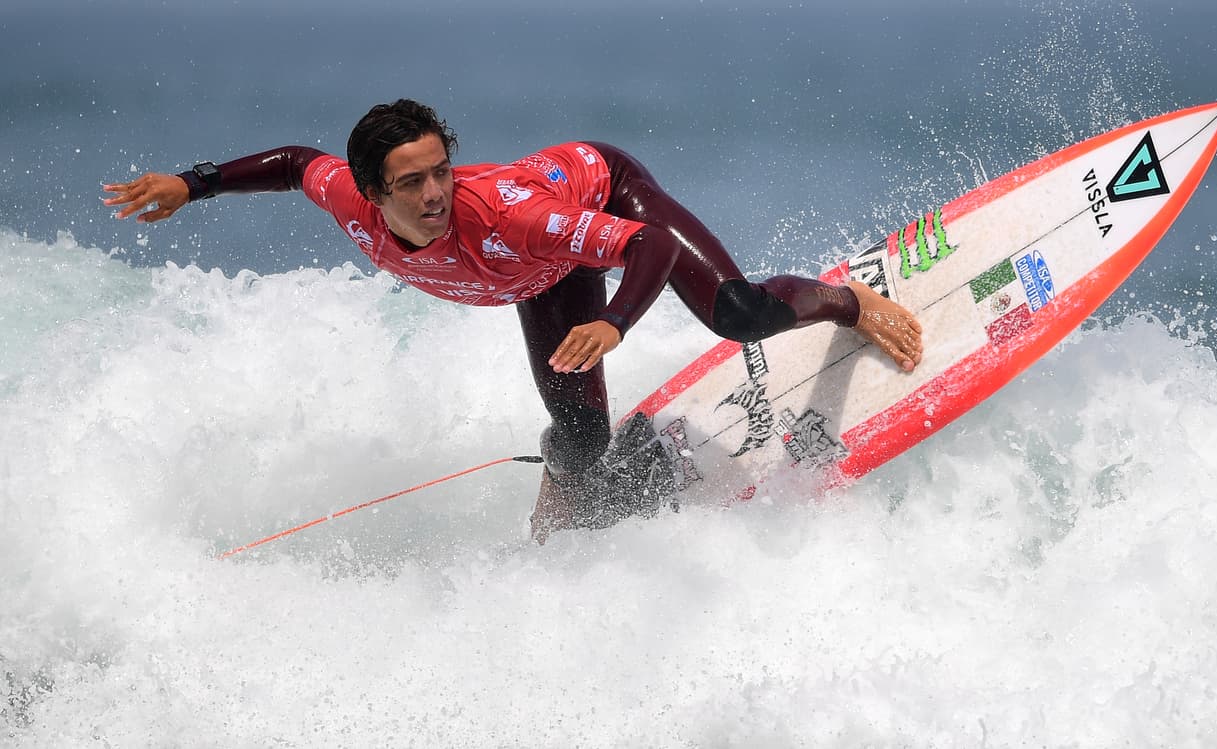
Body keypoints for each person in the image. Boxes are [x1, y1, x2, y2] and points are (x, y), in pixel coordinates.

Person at [103, 99, 923, 542]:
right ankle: (567, 489)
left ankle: (848, 300)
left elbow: (647, 248)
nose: (433, 194)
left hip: (601, 202)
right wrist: (194, 182)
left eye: (441, 171)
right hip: (540, 274)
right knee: (578, 436)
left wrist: (618, 325)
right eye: (412, 183)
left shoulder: (505, 214)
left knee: (737, 313)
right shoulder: (347, 201)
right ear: (372, 191)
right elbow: (292, 164)